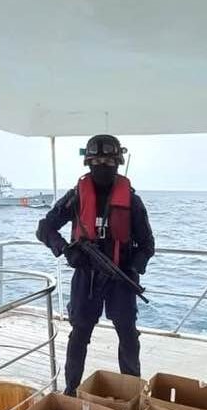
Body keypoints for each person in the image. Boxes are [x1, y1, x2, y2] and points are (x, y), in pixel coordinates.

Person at [36, 134, 155, 395]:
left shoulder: (132, 201)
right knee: (79, 334)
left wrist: (132, 268)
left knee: (128, 335)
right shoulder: (76, 196)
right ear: (89, 163)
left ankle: (132, 390)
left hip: (121, 279)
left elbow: (148, 245)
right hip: (86, 277)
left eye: (109, 160)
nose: (104, 165)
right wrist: (66, 250)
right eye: (98, 160)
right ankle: (70, 390)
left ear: (118, 163)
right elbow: (45, 228)